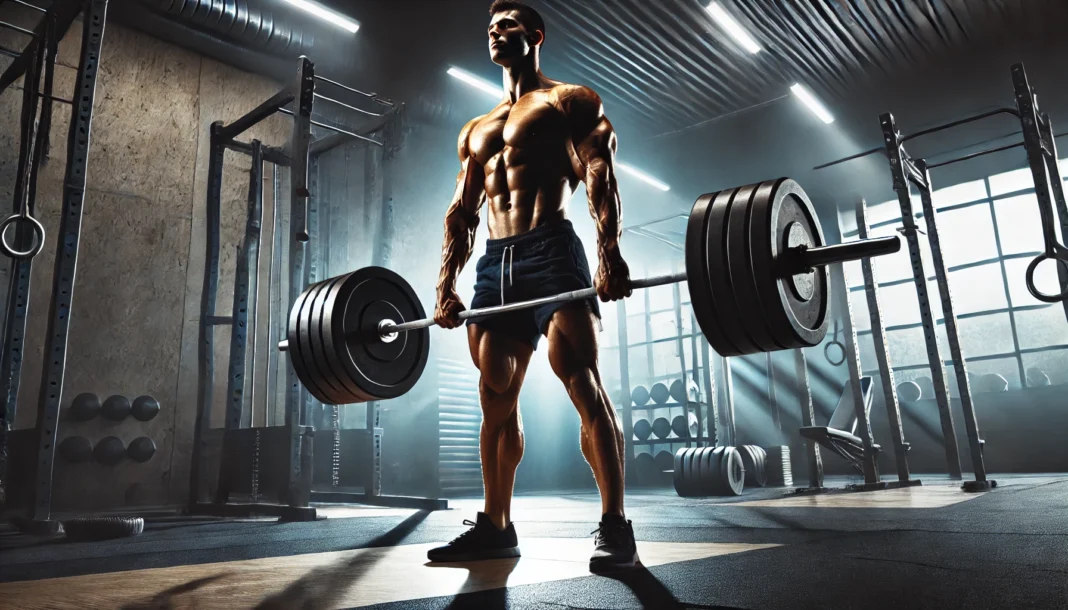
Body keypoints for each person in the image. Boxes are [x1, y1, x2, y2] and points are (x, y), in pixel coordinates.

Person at [427, 0, 637, 573]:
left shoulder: (569, 100)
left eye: (509, 24)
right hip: (495, 264)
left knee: (582, 383)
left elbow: (600, 174)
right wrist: (445, 285)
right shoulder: (476, 128)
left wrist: (609, 254)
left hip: (551, 249)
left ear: (536, 34)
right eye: (491, 27)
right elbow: (460, 213)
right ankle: (496, 526)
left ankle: (616, 526)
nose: (497, 32)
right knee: (495, 395)